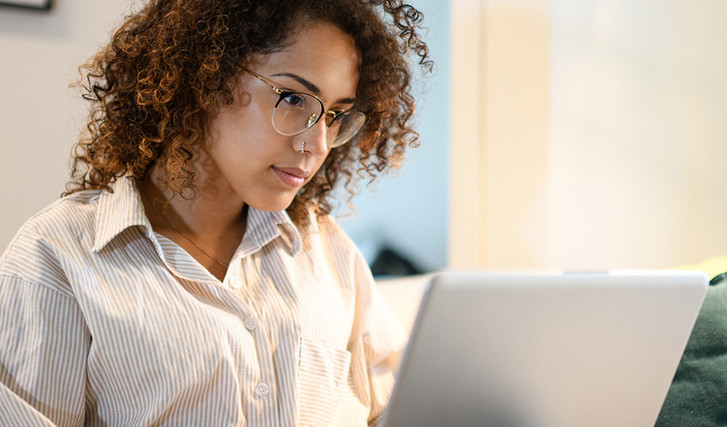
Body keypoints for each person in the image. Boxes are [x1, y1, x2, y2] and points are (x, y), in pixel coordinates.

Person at [0, 0, 431, 425]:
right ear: (205, 78)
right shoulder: (56, 257)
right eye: (295, 99)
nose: (317, 145)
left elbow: (393, 410)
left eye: (335, 115)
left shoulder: (326, 249)